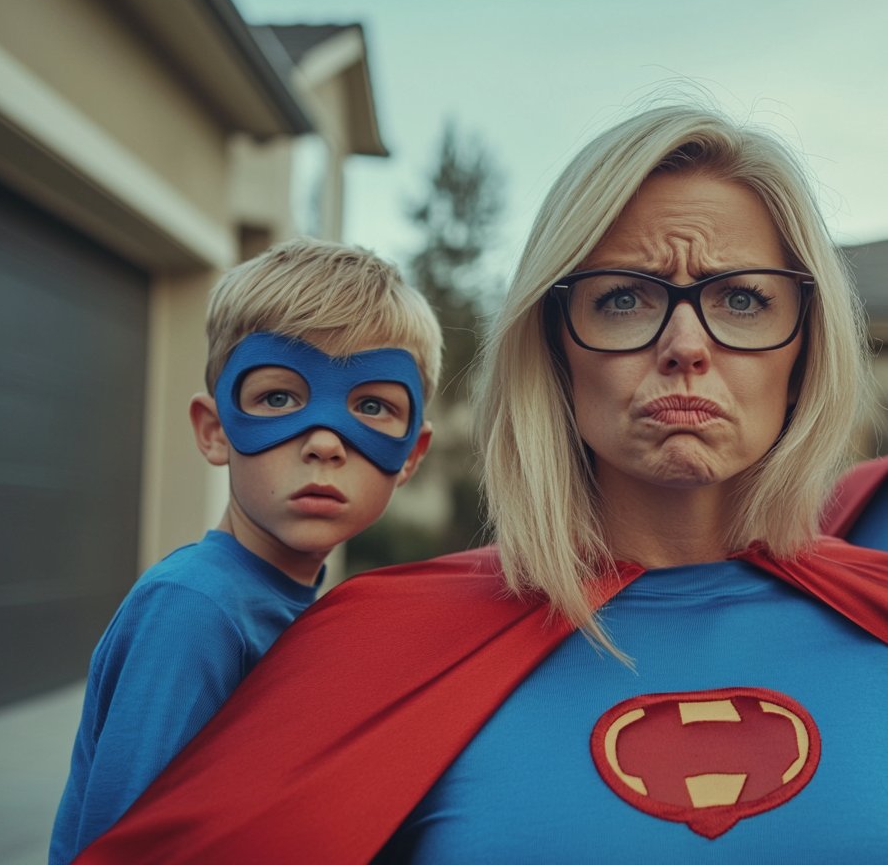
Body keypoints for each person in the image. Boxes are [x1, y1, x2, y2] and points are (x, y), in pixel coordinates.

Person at [73, 105, 888, 864]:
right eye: (622, 298)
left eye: (742, 298)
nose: (684, 344)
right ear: (554, 352)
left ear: (805, 352)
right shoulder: (371, 646)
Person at [50, 238, 441, 865]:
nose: (323, 442)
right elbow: (126, 849)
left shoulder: (310, 609)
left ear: (410, 456)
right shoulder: (194, 609)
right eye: (279, 398)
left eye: (371, 406)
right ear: (215, 430)